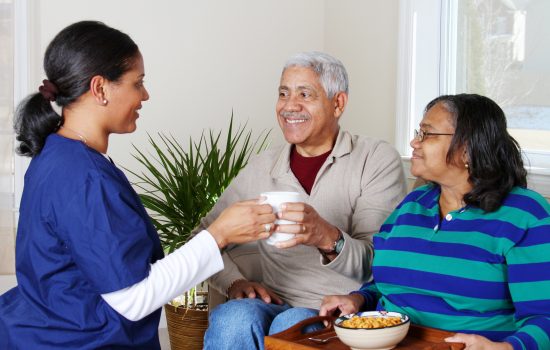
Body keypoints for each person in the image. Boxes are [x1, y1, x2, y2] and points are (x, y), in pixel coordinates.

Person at [0, 21, 277, 349]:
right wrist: (219, 236)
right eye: (137, 83)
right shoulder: (83, 176)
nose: (145, 95)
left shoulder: (59, 155)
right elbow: (132, 298)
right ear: (100, 88)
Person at [200, 51, 407, 349]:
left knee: (294, 323)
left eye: (304, 94)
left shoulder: (375, 159)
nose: (289, 106)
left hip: (339, 308)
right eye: (283, 93)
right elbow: (204, 238)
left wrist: (327, 237)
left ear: (338, 103)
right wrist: (233, 282)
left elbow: (380, 263)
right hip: (272, 301)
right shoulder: (262, 166)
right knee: (233, 317)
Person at [320, 94, 550, 350]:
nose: (414, 142)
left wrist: (504, 348)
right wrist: (359, 299)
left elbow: (544, 317)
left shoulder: (524, 215)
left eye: (426, 134)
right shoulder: (413, 203)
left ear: (466, 148)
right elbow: (390, 281)